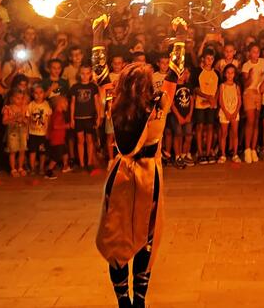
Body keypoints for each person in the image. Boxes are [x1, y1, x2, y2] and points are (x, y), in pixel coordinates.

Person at [96, 61, 175, 308]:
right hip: (148, 177)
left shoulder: (113, 104)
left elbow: (100, 75)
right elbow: (175, 72)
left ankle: (124, 302)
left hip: (120, 176)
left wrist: (98, 32)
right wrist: (180, 34)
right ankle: (139, 301)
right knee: (147, 236)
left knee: (117, 237)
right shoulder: (159, 104)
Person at [70, 65, 103, 171]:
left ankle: (89, 163)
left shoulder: (93, 87)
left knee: (89, 140)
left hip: (90, 117)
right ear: (79, 74)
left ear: (90, 74)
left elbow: (97, 102)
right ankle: (81, 164)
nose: (85, 76)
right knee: (80, 140)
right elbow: (73, 103)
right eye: (83, 73)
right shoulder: (75, 87)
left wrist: (98, 116)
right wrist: (72, 118)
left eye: (87, 73)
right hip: (78, 117)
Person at [240, 44, 264, 163]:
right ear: (249, 53)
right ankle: (247, 149)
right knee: (250, 121)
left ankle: (253, 148)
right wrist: (250, 76)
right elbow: (245, 84)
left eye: (257, 51)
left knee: (256, 122)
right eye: (253, 52)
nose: (256, 54)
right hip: (249, 93)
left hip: (259, 93)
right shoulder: (246, 65)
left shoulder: (263, 62)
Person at [194, 51, 219, 165]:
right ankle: (200, 153)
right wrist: (208, 97)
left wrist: (214, 100)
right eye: (207, 58)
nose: (209, 61)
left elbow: (219, 88)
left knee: (210, 127)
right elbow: (195, 89)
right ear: (203, 59)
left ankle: (208, 152)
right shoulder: (198, 71)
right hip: (200, 104)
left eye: (212, 58)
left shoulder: (216, 73)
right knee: (199, 127)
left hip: (211, 105)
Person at [217, 64, 242, 163]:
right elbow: (221, 101)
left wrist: (235, 112)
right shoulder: (222, 86)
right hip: (224, 112)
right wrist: (226, 112)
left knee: (235, 133)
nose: (230, 75)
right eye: (228, 73)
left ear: (235, 74)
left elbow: (239, 101)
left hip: (235, 112)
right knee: (224, 134)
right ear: (225, 74)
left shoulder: (236, 86)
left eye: (232, 73)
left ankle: (235, 154)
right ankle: (223, 154)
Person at [2, 89, 29, 176]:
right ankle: (13, 169)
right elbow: (4, 121)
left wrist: (24, 120)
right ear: (12, 98)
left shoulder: (24, 108)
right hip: (12, 134)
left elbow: (28, 120)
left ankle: (20, 167)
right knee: (13, 151)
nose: (20, 100)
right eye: (17, 98)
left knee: (22, 151)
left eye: (21, 98)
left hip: (23, 132)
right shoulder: (8, 108)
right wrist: (14, 118)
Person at [27, 84, 52, 176]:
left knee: (42, 152)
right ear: (33, 94)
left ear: (44, 93)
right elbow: (28, 119)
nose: (38, 95)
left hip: (43, 134)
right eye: (36, 93)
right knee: (32, 151)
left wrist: (48, 131)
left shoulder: (46, 105)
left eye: (41, 92)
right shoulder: (30, 105)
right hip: (32, 133)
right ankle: (32, 168)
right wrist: (27, 133)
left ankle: (41, 167)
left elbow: (49, 119)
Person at [171, 69, 194, 167]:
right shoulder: (173, 87)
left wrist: (189, 114)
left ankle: (185, 154)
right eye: (180, 73)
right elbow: (172, 104)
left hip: (187, 114)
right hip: (177, 115)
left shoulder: (188, 86)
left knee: (188, 135)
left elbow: (192, 100)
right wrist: (179, 116)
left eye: (184, 73)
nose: (182, 75)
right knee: (178, 135)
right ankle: (177, 156)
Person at [47, 95, 70, 177]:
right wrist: (67, 126)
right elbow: (55, 126)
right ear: (59, 104)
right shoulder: (58, 114)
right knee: (56, 156)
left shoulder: (58, 113)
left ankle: (65, 166)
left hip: (60, 139)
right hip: (57, 139)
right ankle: (49, 171)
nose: (67, 104)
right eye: (65, 102)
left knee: (65, 151)